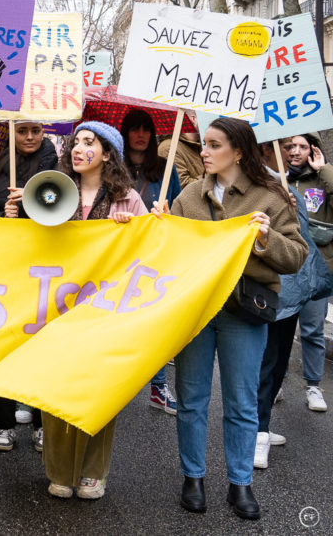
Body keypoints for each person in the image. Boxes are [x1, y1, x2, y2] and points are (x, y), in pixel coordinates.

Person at [152, 117, 306, 520]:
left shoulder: (271, 198)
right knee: (191, 399)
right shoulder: (188, 196)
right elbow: (169, 257)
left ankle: (240, 484)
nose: (204, 151)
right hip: (197, 310)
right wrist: (161, 226)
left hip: (244, 313)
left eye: (214, 145)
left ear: (238, 151)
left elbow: (296, 257)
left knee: (240, 402)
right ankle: (193, 477)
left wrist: (265, 240)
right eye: (204, 144)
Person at [40, 121, 145, 501]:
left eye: (89, 143)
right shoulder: (50, 191)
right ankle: (59, 471)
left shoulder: (128, 199)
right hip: (57, 307)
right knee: (53, 388)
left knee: (99, 390)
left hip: (104, 313)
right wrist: (16, 213)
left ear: (107, 154)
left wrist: (132, 228)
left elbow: (146, 253)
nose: (78, 149)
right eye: (76, 142)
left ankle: (93, 471)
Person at [0, 120, 57, 452]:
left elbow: (60, 205)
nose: (28, 137)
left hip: (45, 269)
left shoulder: (57, 165)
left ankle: (41, 423)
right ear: (12, 132)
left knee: (42, 349)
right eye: (22, 130)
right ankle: (4, 424)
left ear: (44, 133)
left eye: (35, 131)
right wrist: (2, 214)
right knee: (6, 346)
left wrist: (30, 201)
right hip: (7, 268)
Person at [255, 140, 333, 470]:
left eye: (296, 147)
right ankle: (256, 433)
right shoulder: (263, 186)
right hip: (269, 290)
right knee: (265, 362)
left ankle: (262, 425)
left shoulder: (289, 186)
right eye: (284, 147)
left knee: (279, 358)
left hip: (292, 289)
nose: (290, 152)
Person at [120, 109, 181, 415]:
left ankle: (158, 387)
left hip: (155, 256)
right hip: (118, 258)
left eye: (146, 129)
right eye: (135, 129)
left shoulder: (168, 170)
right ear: (125, 133)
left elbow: (180, 213)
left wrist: (169, 215)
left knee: (155, 322)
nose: (141, 134)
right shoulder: (114, 169)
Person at [285, 133, 332, 413]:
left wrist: (323, 168)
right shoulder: (278, 180)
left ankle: (313, 385)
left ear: (313, 150)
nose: (295, 151)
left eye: (303, 146)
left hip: (317, 269)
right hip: (286, 268)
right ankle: (273, 382)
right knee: (278, 329)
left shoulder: (323, 181)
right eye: (290, 146)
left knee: (313, 330)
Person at [157, 113, 204, 188]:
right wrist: (214, 178)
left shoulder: (201, 146)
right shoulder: (169, 148)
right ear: (194, 119)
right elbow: (182, 186)